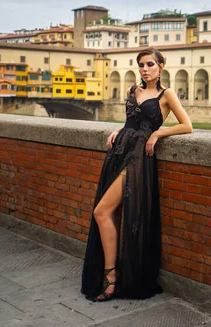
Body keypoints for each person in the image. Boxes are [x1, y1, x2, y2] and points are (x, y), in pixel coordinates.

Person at [81, 48, 192, 302]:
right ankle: (111, 274)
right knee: (104, 212)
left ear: (161, 66)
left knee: (102, 211)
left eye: (150, 64)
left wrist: (157, 134)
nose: (145, 69)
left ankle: (112, 276)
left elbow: (187, 125)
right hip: (118, 151)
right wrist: (117, 128)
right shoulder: (133, 90)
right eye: (141, 64)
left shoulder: (167, 95)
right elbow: (132, 121)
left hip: (138, 158)